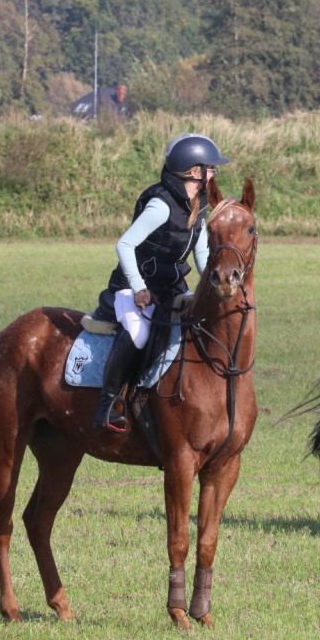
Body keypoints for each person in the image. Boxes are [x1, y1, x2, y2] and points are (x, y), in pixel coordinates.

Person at [87, 133, 229, 430]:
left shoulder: (199, 204)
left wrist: (213, 287)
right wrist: (139, 288)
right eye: (211, 169)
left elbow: (201, 252)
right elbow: (124, 245)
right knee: (139, 334)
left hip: (171, 288)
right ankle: (107, 405)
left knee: (198, 325)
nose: (215, 174)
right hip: (133, 287)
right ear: (194, 172)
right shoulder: (161, 205)